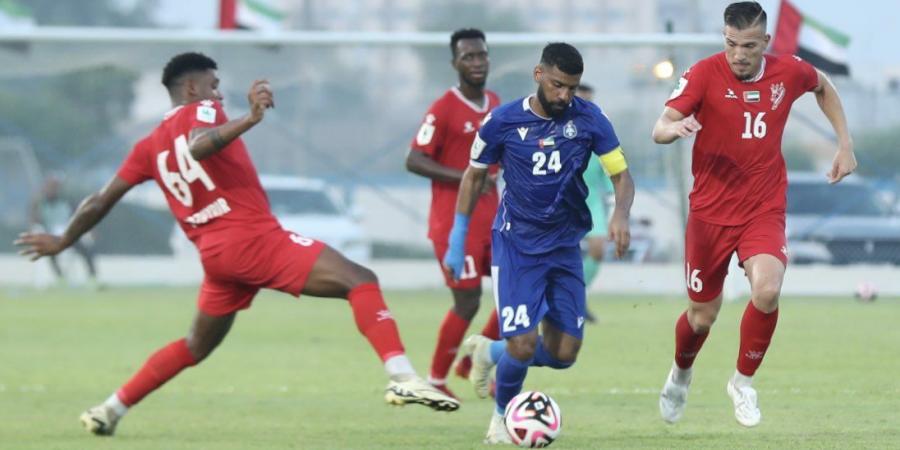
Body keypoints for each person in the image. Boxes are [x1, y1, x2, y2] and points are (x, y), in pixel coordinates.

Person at [14, 52, 458, 437]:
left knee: (195, 345)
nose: (218, 95)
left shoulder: (147, 146)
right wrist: (250, 118)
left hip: (216, 256)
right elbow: (198, 146)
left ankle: (110, 409)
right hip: (250, 238)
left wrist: (62, 240)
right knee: (360, 280)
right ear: (192, 87)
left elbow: (100, 199)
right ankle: (401, 375)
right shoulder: (201, 112)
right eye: (213, 86)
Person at [651, 1, 856, 428]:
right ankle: (681, 373)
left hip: (763, 208)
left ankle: (742, 383)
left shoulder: (788, 71)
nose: (738, 54)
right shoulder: (704, 74)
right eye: (731, 44)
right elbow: (661, 126)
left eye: (747, 46)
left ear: (765, 42)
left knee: (767, 290)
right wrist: (676, 129)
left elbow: (822, 86)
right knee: (702, 316)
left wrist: (844, 144)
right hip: (710, 213)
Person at [448, 43, 635, 443]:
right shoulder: (502, 121)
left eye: (571, 87)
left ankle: (489, 353)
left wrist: (620, 214)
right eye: (557, 85)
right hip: (516, 247)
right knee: (523, 342)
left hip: (565, 246)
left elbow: (621, 174)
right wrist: (458, 234)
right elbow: (474, 175)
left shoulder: (590, 119)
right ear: (538, 75)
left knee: (565, 354)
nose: (564, 95)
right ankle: (501, 419)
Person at [405, 28, 501, 399]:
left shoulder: (495, 102)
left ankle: (472, 361)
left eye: (481, 55)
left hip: (495, 220)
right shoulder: (444, 108)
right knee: (468, 300)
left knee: (517, 291)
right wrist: (466, 176)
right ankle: (436, 379)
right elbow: (413, 159)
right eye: (468, 57)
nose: (476, 62)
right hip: (454, 223)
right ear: (455, 63)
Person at [574, 83, 615, 323]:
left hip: (592, 201)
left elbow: (607, 165)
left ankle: (579, 296)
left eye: (589, 100)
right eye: (581, 99)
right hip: (565, 200)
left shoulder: (598, 129)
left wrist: (611, 193)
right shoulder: (559, 127)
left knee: (598, 249)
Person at [30, 175, 100, 288]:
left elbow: (80, 215)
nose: (53, 189)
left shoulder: (67, 201)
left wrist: (89, 229)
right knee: (50, 253)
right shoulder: (40, 203)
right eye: (50, 186)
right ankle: (60, 278)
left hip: (68, 235)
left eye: (55, 186)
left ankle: (93, 278)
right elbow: (34, 220)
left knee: (87, 252)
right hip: (51, 235)